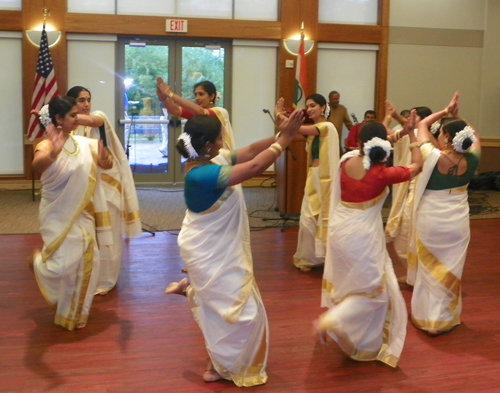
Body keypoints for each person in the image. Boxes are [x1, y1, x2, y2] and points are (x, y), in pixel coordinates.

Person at [165, 110, 304, 386]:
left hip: (213, 246)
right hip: (208, 248)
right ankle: (196, 294)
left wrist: (280, 134)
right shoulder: (201, 174)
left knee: (223, 307)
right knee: (243, 314)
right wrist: (284, 141)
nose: (222, 143)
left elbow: (252, 150)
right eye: (218, 139)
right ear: (206, 145)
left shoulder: (211, 158)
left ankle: (216, 360)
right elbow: (253, 168)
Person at [316, 110, 422, 367]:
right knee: (375, 292)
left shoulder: (347, 159)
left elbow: (380, 144)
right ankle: (335, 320)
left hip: (341, 230)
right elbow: (417, 165)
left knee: (353, 284)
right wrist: (414, 137)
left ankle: (357, 341)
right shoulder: (382, 174)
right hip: (362, 235)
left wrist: (400, 132)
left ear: (359, 143)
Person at [31, 96, 113, 331]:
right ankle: (38, 264)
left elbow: (103, 165)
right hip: (57, 212)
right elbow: (37, 167)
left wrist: (106, 161)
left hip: (81, 214)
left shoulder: (83, 144)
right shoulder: (46, 144)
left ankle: (73, 313)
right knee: (62, 267)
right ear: (59, 119)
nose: (78, 119)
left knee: (89, 261)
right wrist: (53, 154)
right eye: (73, 116)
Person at [410, 92, 481, 335]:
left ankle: (427, 318)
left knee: (429, 269)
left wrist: (445, 111)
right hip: (457, 221)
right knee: (451, 268)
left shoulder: (432, 155)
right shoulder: (472, 159)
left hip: (431, 220)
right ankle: (445, 318)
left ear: (448, 137)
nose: (438, 134)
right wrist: (458, 116)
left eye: (442, 132)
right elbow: (475, 136)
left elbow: (421, 124)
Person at [67, 86, 142, 295]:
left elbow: (92, 122)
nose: (86, 104)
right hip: (86, 189)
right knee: (88, 237)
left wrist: (60, 115)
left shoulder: (97, 117)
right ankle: (87, 277)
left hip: (108, 187)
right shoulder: (70, 130)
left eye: (88, 99)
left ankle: (106, 280)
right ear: (72, 102)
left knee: (108, 236)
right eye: (81, 100)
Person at [275, 94, 339, 272]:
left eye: (313, 106)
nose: (309, 109)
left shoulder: (327, 126)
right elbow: (296, 131)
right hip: (314, 176)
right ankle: (309, 258)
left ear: (323, 107)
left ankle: (326, 256)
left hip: (325, 180)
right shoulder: (315, 128)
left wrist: (279, 114)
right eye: (307, 106)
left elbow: (298, 129)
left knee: (320, 216)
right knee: (307, 217)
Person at [383, 103, 432, 284]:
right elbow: (388, 132)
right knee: (404, 238)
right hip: (409, 191)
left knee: (406, 237)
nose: (410, 120)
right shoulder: (413, 135)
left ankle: (418, 277)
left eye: (415, 117)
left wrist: (395, 116)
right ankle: (414, 276)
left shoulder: (427, 141)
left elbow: (411, 131)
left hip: (419, 196)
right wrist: (393, 115)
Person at [156, 77, 235, 150]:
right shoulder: (197, 114)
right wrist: (163, 98)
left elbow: (200, 112)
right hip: (204, 157)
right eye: (196, 95)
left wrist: (170, 94)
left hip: (222, 157)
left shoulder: (221, 111)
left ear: (212, 96)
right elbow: (175, 110)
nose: (197, 98)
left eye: (201, 94)